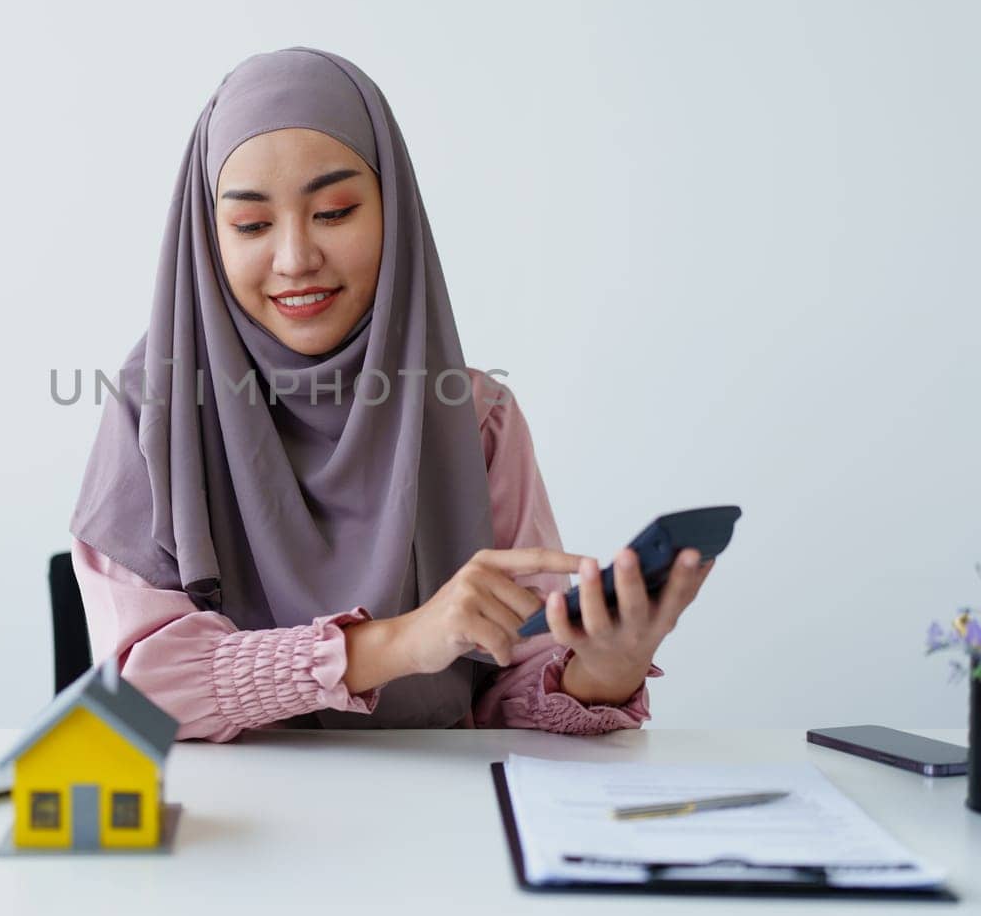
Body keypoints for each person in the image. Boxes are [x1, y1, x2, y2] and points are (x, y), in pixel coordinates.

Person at [67, 46, 713, 741]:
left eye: (335, 211)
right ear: (206, 236)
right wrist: (398, 644)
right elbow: (135, 693)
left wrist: (603, 667)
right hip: (223, 832)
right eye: (251, 225)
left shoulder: (476, 420)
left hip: (432, 829)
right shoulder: (156, 412)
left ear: (393, 212)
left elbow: (509, 689)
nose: (294, 259)